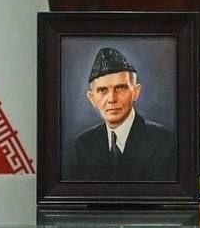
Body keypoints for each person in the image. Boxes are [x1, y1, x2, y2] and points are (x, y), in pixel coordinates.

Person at [67, 47, 176, 182]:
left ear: (136, 92)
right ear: (92, 98)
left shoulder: (165, 142)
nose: (112, 99)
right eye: (102, 90)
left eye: (120, 88)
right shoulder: (84, 144)